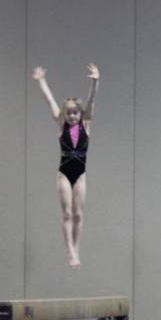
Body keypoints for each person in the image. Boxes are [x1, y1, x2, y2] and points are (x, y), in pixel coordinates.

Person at [32, 63, 100, 269]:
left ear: (80, 115)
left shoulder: (86, 124)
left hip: (80, 175)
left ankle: (76, 249)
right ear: (65, 114)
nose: (71, 116)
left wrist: (95, 81)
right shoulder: (61, 124)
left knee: (79, 214)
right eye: (68, 113)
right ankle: (69, 251)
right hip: (64, 174)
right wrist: (41, 81)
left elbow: (91, 101)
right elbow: (50, 100)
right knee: (67, 214)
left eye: (75, 113)